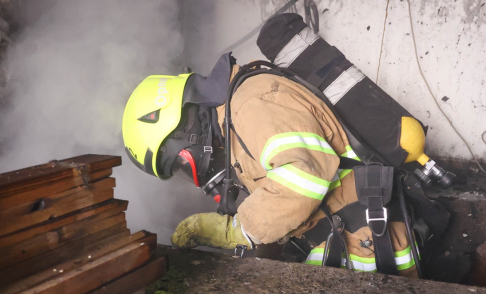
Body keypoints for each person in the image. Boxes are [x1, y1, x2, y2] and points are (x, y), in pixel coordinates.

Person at [122, 18, 437, 277]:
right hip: (348, 236)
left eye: (181, 165)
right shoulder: (235, 113)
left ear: (184, 130)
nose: (194, 177)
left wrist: (237, 230)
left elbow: (302, 178)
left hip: (368, 246)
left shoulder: (251, 105)